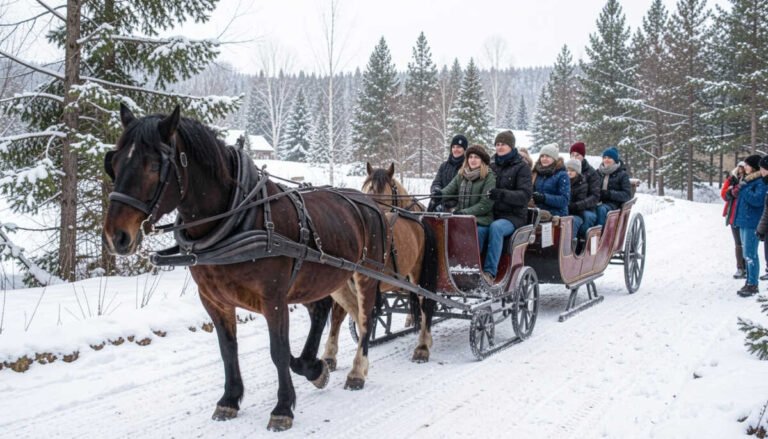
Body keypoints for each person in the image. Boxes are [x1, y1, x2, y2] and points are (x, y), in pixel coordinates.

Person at [484, 130, 533, 284]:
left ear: (511, 146)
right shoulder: (491, 166)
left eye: (503, 144)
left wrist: (502, 194)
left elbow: (524, 196)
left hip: (513, 216)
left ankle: (490, 272)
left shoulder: (521, 167)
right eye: (497, 144)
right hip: (492, 213)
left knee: (496, 228)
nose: (499, 147)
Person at [439, 145, 496, 250]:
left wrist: (464, 212)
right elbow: (449, 190)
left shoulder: (489, 177)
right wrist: (439, 195)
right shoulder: (461, 174)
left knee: (474, 234)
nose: (473, 160)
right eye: (470, 157)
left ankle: (472, 264)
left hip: (482, 220)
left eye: (476, 157)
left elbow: (485, 205)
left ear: (482, 160)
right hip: (461, 217)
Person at [733, 154, 767, 296]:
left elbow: (757, 201)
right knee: (747, 254)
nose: (744, 167)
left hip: (752, 222)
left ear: (753, 167)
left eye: (747, 165)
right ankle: (749, 281)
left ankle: (753, 284)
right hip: (743, 221)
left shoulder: (760, 182)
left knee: (750, 254)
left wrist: (744, 189)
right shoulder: (747, 180)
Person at [569, 142, 600, 240]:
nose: (574, 157)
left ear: (583, 156)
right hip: (569, 204)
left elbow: (595, 196)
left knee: (587, 217)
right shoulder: (566, 169)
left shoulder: (592, 173)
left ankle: (583, 241)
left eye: (577, 155)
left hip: (587, 208)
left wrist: (578, 205)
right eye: (572, 155)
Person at [530, 143, 570, 221]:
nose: (544, 158)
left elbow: (564, 200)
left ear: (554, 158)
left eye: (548, 156)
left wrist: (544, 198)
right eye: (542, 156)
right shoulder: (536, 172)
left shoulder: (562, 175)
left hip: (556, 215)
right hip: (537, 212)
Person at [429, 134, 468, 212]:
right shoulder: (444, 166)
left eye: (459, 147)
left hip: (459, 204)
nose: (456, 149)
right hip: (441, 201)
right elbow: (437, 182)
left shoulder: (467, 166)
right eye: (454, 147)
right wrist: (436, 191)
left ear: (464, 149)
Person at [595, 147, 632, 227]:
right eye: (604, 157)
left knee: (601, 209)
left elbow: (627, 195)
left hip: (613, 204)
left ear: (615, 160)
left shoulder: (622, 175)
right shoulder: (597, 173)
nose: (606, 160)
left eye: (609, 158)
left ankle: (599, 234)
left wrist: (609, 194)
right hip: (597, 201)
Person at [722, 161, 746, 279]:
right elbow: (724, 195)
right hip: (733, 215)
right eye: (739, 168)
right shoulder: (732, 179)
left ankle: (747, 267)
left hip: (745, 216)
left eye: (743, 168)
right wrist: (730, 190)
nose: (741, 170)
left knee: (746, 243)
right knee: (738, 243)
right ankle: (740, 267)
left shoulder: (750, 180)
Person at [565, 158, 592, 251]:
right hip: (563, 211)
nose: (569, 172)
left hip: (576, 213)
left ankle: (570, 248)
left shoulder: (582, 185)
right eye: (567, 170)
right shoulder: (563, 181)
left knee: (572, 222)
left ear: (577, 172)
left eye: (572, 170)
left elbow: (580, 202)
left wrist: (570, 206)